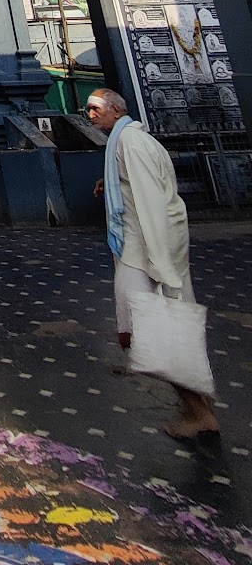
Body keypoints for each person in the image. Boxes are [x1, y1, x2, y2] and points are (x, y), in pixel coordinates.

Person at [86, 87, 219, 441]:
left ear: (117, 110)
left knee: (144, 333)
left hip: (145, 253)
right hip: (140, 249)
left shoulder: (130, 143)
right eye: (89, 109)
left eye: (97, 108)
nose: (91, 115)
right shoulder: (126, 140)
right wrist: (111, 183)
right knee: (153, 329)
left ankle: (199, 412)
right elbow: (139, 186)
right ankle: (196, 405)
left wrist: (160, 264)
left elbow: (151, 202)